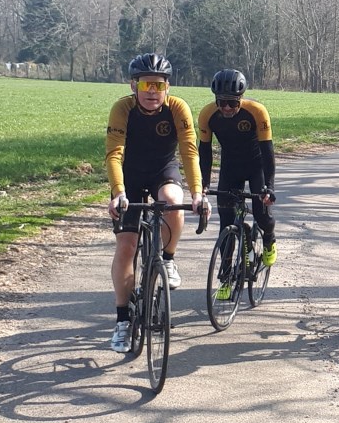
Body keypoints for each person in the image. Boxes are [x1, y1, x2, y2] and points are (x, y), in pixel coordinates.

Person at [106, 53, 209, 353]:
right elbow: (114, 154)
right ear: (133, 86)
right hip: (130, 176)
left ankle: (167, 257)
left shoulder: (177, 108)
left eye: (159, 85)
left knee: (173, 200)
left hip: (163, 170)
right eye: (145, 84)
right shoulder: (122, 109)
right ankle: (123, 320)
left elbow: (189, 152)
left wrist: (198, 193)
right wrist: (118, 192)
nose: (152, 91)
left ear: (167, 87)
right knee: (126, 246)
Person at [198, 69, 277, 299]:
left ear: (241, 98)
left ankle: (269, 239)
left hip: (256, 166)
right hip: (230, 168)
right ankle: (225, 278)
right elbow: (204, 153)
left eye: (232, 103)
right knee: (226, 222)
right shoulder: (207, 115)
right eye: (222, 102)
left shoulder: (257, 112)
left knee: (261, 213)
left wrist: (269, 187)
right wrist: (203, 184)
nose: (226, 108)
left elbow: (268, 152)